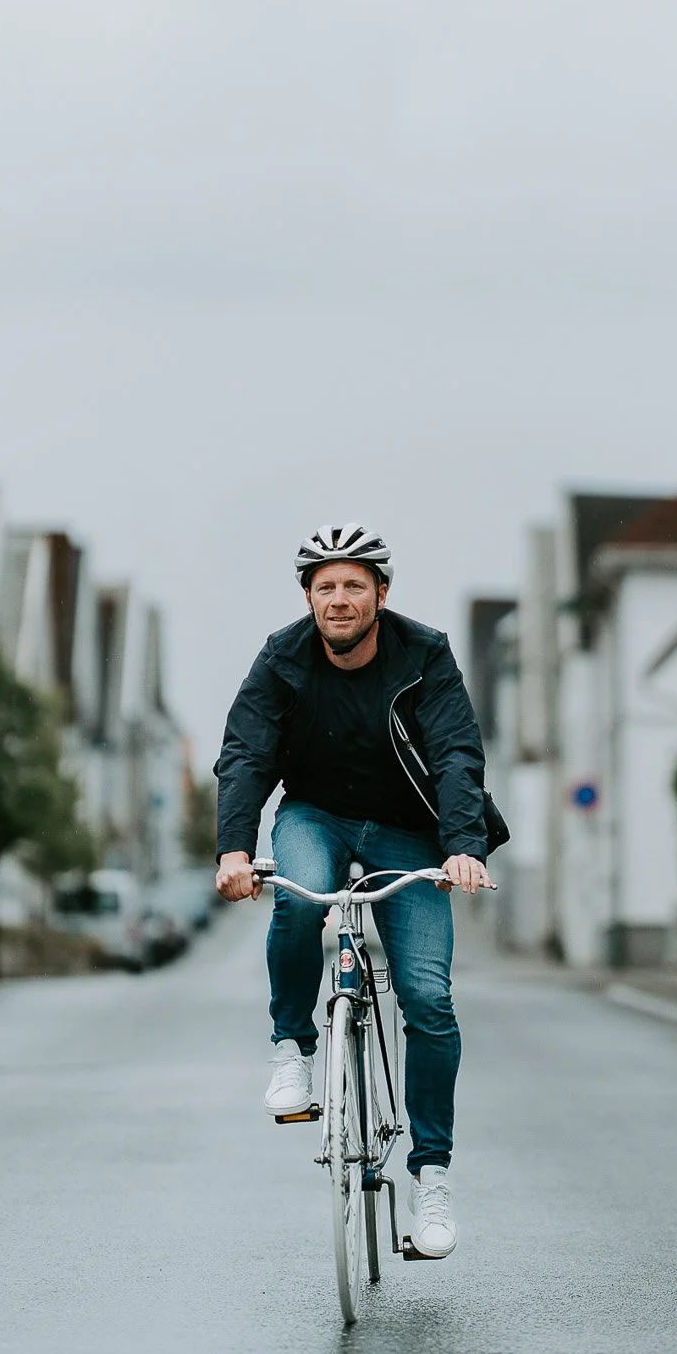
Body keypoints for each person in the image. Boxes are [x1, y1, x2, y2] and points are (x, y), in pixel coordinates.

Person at [214, 522, 495, 1260]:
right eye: (325, 587)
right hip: (315, 815)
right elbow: (245, 753)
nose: (339, 600)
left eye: (354, 586)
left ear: (381, 595)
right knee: (298, 894)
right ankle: (291, 1046)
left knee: (430, 999)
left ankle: (431, 1175)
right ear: (309, 598)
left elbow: (457, 752)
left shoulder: (424, 654)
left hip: (409, 830)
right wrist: (236, 847)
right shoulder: (282, 658)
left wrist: (464, 848)